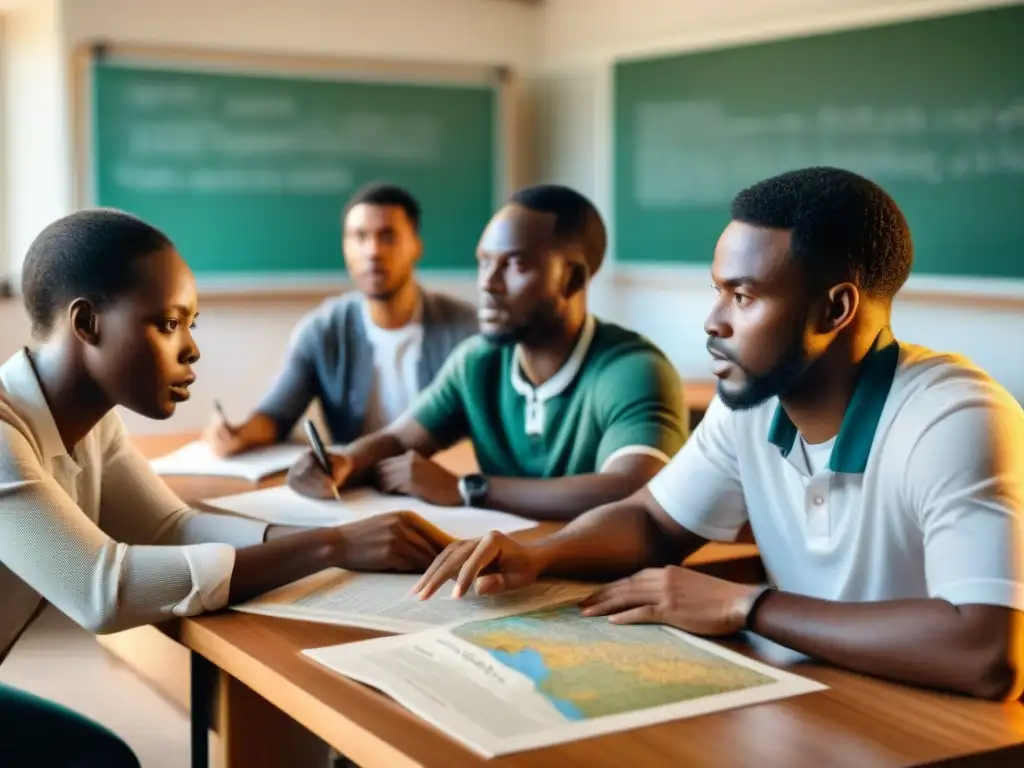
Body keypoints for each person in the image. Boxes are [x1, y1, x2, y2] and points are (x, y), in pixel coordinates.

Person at [410, 167, 1024, 701]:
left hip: (939, 733)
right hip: (813, 699)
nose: (713, 320)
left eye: (743, 295)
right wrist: (542, 555)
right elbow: (652, 522)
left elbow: (986, 652)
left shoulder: (955, 418)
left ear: (834, 310)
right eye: (717, 289)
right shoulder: (752, 406)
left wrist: (747, 605)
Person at [0, 209, 454, 766]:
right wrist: (330, 548)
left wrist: (344, 535)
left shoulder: (93, 424)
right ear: (87, 323)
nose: (191, 349)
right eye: (168, 324)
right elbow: (103, 592)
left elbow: (172, 527)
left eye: (193, 324)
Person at [288, 184, 688, 522]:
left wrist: (467, 488)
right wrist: (343, 463)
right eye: (484, 263)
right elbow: (399, 439)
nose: (488, 284)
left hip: (601, 588)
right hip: (508, 571)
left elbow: (632, 490)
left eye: (514, 265)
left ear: (572, 279)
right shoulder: (477, 362)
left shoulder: (632, 369)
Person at [204, 182, 478, 455]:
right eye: (359, 237)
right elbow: (275, 417)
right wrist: (238, 434)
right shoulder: (323, 331)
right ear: (346, 248)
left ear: (416, 246)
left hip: (440, 486)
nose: (372, 251)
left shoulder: (466, 330)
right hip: (355, 487)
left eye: (387, 236)